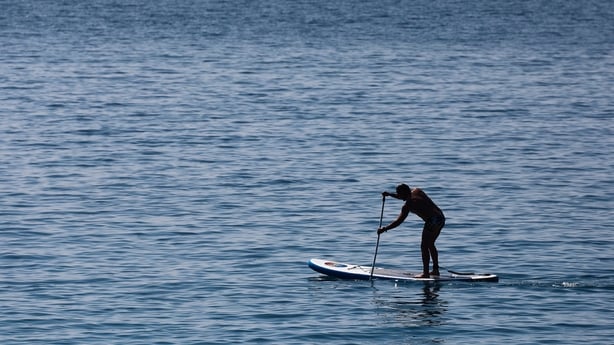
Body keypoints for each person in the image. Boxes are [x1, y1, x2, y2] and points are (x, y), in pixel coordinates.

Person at [377, 183, 445, 278]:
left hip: (432, 221)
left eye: (399, 194)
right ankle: (435, 270)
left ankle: (425, 273)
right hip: (441, 217)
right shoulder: (417, 191)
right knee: (430, 244)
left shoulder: (408, 205)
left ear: (404, 193)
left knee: (424, 246)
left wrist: (384, 229)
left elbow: (399, 221)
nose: (398, 196)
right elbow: (404, 196)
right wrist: (390, 194)